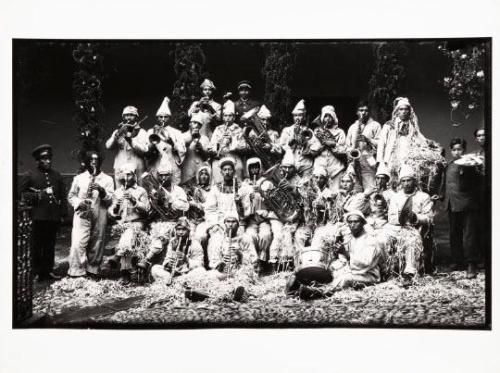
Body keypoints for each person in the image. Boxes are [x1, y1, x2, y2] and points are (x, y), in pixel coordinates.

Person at [287, 210, 386, 300]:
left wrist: (346, 254)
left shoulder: (370, 240)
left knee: (345, 279)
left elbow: (366, 263)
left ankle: (320, 293)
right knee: (331, 273)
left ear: (363, 223)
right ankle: (300, 287)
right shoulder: (351, 239)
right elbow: (344, 261)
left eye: (356, 222)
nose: (352, 225)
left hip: (368, 275)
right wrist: (334, 262)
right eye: (350, 222)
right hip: (353, 271)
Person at [18, 144, 67, 281]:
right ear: (38, 161)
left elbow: (62, 196)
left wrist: (62, 215)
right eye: (44, 159)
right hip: (38, 217)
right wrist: (39, 195)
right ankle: (37, 272)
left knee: (50, 245)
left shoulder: (56, 175)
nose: (48, 161)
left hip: (52, 217)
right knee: (36, 245)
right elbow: (21, 194)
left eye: (49, 158)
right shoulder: (30, 175)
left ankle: (48, 270)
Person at [381, 165, 433, 285]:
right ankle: (386, 269)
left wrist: (416, 217)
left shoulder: (423, 196)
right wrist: (400, 218)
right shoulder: (396, 197)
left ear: (414, 181)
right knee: (381, 237)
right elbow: (391, 217)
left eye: (409, 180)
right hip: (396, 227)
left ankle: (409, 273)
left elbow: (429, 218)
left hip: (413, 228)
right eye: (403, 181)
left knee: (411, 240)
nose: (406, 184)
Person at [438, 138, 482, 278]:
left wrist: (472, 168)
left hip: (467, 204)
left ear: (464, 150)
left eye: (459, 149)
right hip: (451, 204)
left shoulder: (470, 164)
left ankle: (471, 264)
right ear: (451, 151)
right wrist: (440, 195)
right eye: (454, 150)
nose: (457, 152)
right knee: (454, 234)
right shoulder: (449, 164)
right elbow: (445, 183)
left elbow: (477, 182)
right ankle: (458, 261)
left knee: (469, 235)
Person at [67, 151, 114, 278]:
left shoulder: (108, 179)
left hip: (100, 211)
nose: (94, 162)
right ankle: (76, 270)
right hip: (82, 213)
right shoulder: (79, 178)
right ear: (87, 162)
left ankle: (93, 269)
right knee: (78, 241)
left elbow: (111, 200)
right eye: (91, 160)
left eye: (96, 160)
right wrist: (79, 202)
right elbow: (71, 196)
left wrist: (103, 192)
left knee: (98, 240)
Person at [137, 164, 189, 273]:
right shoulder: (154, 191)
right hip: (159, 222)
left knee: (163, 233)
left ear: (171, 175)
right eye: (161, 176)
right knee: (159, 233)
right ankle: (145, 263)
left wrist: (171, 200)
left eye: (166, 175)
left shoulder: (178, 190)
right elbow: (149, 209)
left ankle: (147, 259)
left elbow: (186, 206)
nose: (163, 178)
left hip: (175, 222)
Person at [105, 163, 150, 284]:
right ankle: (125, 271)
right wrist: (116, 207)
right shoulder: (118, 192)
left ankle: (122, 267)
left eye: (129, 174)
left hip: (137, 223)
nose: (126, 178)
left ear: (134, 176)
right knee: (127, 234)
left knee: (129, 233)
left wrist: (134, 200)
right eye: (124, 175)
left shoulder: (141, 191)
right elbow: (111, 213)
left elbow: (147, 209)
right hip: (122, 225)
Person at [194, 157, 243, 266]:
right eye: (225, 169)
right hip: (219, 222)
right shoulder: (216, 189)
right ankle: (215, 266)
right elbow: (210, 209)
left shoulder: (241, 187)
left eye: (230, 169)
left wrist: (239, 205)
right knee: (216, 240)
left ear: (234, 171)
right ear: (221, 172)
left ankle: (234, 266)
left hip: (237, 223)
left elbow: (244, 210)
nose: (227, 172)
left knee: (238, 242)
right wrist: (215, 224)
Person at [377, 97, 428, 178]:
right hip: (391, 158)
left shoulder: (413, 126)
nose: (404, 112)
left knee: (405, 179)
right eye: (401, 109)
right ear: (397, 111)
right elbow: (381, 143)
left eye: (406, 109)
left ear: (409, 111)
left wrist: (428, 144)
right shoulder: (389, 125)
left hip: (407, 158)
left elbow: (419, 138)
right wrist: (380, 161)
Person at [239, 157, 272, 267]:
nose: (254, 170)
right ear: (248, 170)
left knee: (266, 234)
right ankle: (254, 262)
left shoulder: (266, 183)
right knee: (250, 236)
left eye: (256, 167)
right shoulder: (244, 186)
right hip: (251, 220)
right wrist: (249, 198)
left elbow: (272, 202)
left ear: (260, 168)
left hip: (264, 218)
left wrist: (262, 193)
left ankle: (263, 259)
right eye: (251, 168)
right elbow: (241, 204)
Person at [150, 217, 205, 284]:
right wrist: (168, 265)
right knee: (155, 268)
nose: (181, 232)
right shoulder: (172, 242)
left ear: (188, 231)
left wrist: (186, 259)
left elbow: (200, 263)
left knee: (201, 271)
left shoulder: (195, 243)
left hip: (187, 272)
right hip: (174, 272)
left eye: (184, 229)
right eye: (178, 229)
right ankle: (173, 280)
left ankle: (180, 281)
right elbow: (167, 259)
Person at [146, 97, 186, 184]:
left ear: (169, 118)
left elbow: (182, 151)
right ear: (157, 118)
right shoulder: (150, 131)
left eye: (165, 117)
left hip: (171, 165)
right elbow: (145, 151)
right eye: (160, 117)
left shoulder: (176, 132)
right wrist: (153, 138)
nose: (163, 119)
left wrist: (172, 143)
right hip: (155, 165)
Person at [105, 106, 149, 186]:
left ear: (136, 117)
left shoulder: (142, 132)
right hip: (120, 165)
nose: (129, 117)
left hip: (137, 167)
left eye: (131, 115)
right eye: (127, 115)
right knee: (120, 193)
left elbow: (144, 150)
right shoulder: (118, 131)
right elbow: (108, 146)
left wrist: (131, 141)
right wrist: (115, 137)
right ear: (123, 116)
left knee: (138, 191)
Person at [280, 99, 322, 177]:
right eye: (295, 115)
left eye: (300, 115)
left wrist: (306, 144)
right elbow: (282, 146)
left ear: (304, 117)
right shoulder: (287, 130)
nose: (297, 118)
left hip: (306, 165)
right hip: (290, 166)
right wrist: (293, 139)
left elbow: (317, 148)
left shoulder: (309, 131)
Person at [208, 100, 247, 183]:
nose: (227, 118)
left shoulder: (239, 129)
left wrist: (232, 141)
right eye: (225, 116)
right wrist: (218, 143)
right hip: (220, 156)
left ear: (234, 118)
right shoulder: (218, 129)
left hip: (234, 157)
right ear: (223, 117)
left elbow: (244, 146)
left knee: (238, 168)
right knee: (215, 167)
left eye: (230, 116)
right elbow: (212, 145)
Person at [346, 101, 381, 191]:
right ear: (357, 112)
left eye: (366, 110)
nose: (363, 113)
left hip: (369, 161)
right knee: (355, 189)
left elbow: (380, 143)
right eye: (361, 110)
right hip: (354, 162)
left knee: (370, 188)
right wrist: (350, 152)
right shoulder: (353, 127)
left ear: (369, 112)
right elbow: (347, 145)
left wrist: (368, 140)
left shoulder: (376, 125)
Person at [312, 105, 347, 192]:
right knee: (318, 195)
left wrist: (333, 145)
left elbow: (344, 151)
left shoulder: (340, 132)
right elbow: (312, 152)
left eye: (330, 116)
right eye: (325, 116)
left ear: (334, 117)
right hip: (320, 169)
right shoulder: (317, 132)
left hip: (336, 169)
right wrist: (323, 144)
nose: (327, 119)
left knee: (335, 194)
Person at [180, 113, 210, 184]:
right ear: (189, 124)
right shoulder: (182, 136)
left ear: (201, 126)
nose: (196, 125)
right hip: (187, 167)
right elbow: (179, 152)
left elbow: (207, 157)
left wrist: (201, 149)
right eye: (194, 123)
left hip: (200, 168)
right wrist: (190, 139)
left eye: (199, 124)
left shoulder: (205, 139)